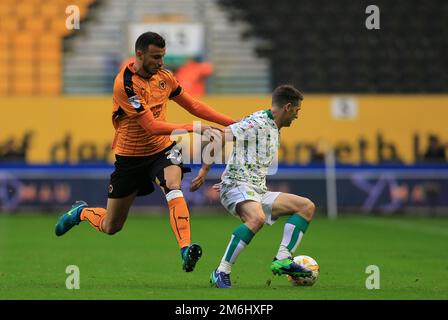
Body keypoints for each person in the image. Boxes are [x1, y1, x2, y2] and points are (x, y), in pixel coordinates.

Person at [54, 32, 235, 273]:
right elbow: (150, 125)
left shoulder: (164, 77)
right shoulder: (125, 84)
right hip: (130, 158)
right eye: (156, 57)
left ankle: (185, 249)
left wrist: (234, 123)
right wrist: (193, 128)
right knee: (111, 226)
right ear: (139, 54)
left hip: (161, 150)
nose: (161, 62)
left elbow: (194, 105)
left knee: (173, 186)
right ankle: (81, 212)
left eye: (162, 57)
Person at [190, 84, 316, 288]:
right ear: (288, 107)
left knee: (306, 207)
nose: (297, 116)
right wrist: (205, 171)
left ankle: (283, 259)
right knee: (256, 218)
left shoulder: (274, 128)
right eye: (297, 111)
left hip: (257, 190)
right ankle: (221, 271)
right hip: (237, 186)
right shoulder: (257, 122)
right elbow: (220, 136)